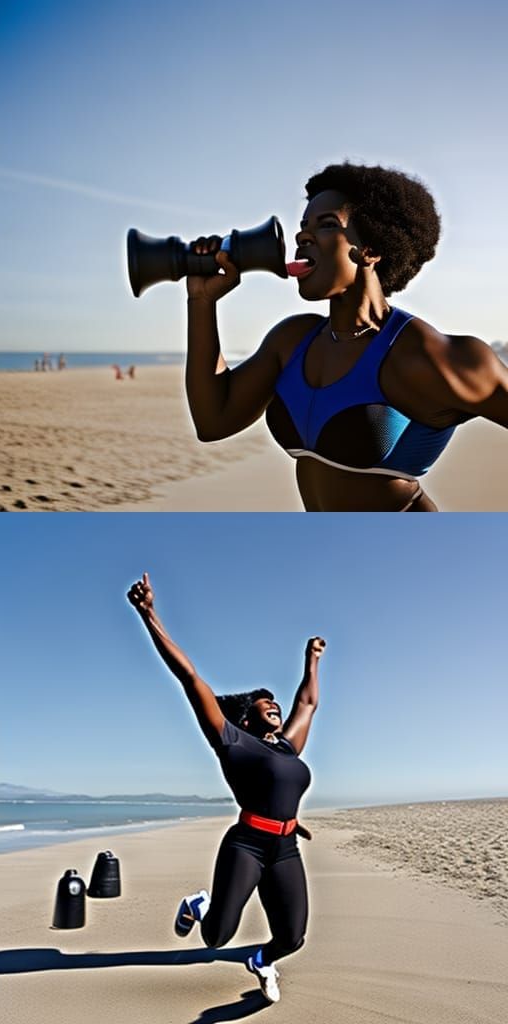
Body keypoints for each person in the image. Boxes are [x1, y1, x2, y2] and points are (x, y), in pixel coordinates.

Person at [184, 162, 508, 511]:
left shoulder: (424, 355)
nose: (301, 237)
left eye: (326, 225)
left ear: (370, 249)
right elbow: (213, 420)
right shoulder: (291, 340)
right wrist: (202, 303)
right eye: (303, 226)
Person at [127, 572, 324, 1005]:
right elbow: (189, 676)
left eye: (275, 700)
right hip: (247, 845)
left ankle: (260, 960)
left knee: (293, 937)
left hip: (285, 846)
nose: (274, 703)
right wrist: (148, 614)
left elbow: (307, 703)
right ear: (246, 718)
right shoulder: (231, 742)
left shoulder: (287, 748)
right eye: (263, 701)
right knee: (216, 937)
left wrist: (311, 659)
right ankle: (200, 905)